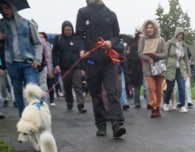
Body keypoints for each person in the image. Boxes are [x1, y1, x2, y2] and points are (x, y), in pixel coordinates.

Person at [76, 0, 126, 138]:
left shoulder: (111, 14)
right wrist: (81, 49)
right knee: (96, 94)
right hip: (91, 62)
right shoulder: (82, 12)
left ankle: (117, 124)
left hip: (109, 61)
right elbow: (79, 35)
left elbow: (117, 37)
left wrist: (110, 43)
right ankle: (101, 125)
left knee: (112, 91)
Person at [0, 0, 42, 116]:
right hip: (12, 63)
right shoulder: (0, 24)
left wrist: (37, 59)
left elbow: (37, 43)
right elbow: (0, 45)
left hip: (28, 63)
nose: (5, 11)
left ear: (13, 7)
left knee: (34, 90)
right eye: (2, 9)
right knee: (17, 91)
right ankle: (23, 116)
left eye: (7, 8)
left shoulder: (27, 23)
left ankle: (38, 115)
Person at [52, 20, 86, 113]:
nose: (68, 31)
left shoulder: (77, 39)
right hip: (64, 68)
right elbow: (54, 52)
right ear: (63, 30)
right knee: (67, 87)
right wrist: (56, 65)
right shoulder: (58, 39)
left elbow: (82, 53)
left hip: (77, 67)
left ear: (72, 30)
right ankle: (69, 104)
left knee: (77, 86)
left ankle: (81, 105)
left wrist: (83, 68)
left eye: (70, 30)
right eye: (66, 30)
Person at [138, 19, 167, 118]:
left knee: (158, 89)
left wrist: (156, 56)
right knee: (151, 88)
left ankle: (158, 107)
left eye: (151, 27)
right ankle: (153, 107)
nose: (149, 29)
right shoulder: (143, 39)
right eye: (147, 28)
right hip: (148, 68)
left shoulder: (161, 39)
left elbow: (165, 53)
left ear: (154, 28)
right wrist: (148, 58)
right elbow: (140, 53)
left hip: (159, 67)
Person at [163, 28, 191, 113]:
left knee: (182, 87)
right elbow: (165, 55)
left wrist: (188, 71)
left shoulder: (184, 45)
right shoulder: (170, 43)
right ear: (176, 34)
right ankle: (166, 103)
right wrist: (163, 68)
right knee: (170, 88)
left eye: (182, 35)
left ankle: (182, 105)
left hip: (181, 69)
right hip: (170, 68)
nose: (180, 36)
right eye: (179, 34)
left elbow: (186, 59)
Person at [37, 31, 55, 105]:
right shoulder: (35, 45)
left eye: (42, 37)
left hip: (48, 66)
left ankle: (51, 100)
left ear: (45, 38)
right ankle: (39, 101)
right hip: (38, 67)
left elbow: (50, 57)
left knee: (49, 84)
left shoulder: (49, 46)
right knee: (40, 85)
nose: (40, 38)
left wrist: (52, 68)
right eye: (39, 36)